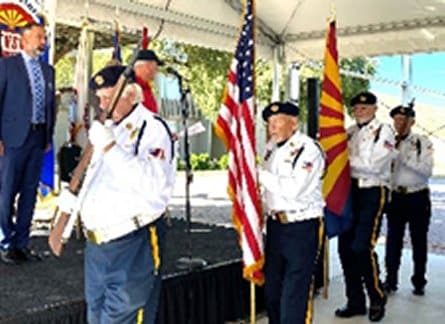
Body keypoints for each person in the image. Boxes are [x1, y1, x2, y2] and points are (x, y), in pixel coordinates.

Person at [58, 65, 175, 324]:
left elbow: (151, 186)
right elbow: (95, 178)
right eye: (99, 98)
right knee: (96, 316)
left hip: (131, 240)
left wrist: (110, 147)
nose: (103, 105)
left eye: (109, 98)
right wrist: (72, 202)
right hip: (97, 245)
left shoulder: (152, 128)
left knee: (124, 317)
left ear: (131, 95)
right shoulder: (109, 127)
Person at [258, 101, 325, 324]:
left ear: (294, 123)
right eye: (269, 123)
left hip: (301, 225)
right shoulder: (271, 149)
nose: (272, 127)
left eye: (278, 122)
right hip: (276, 225)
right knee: (273, 290)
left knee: (294, 293)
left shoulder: (308, 149)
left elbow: (294, 189)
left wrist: (258, 174)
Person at [335, 91, 396, 322]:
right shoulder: (349, 132)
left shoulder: (384, 131)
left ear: (374, 108)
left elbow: (373, 165)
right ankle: (355, 301)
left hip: (372, 192)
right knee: (345, 248)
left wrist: (345, 163)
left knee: (362, 247)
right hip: (350, 192)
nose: (359, 111)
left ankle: (377, 295)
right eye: (356, 108)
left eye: (364, 108)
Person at [0, 22, 56, 265]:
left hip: (38, 138)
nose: (43, 41)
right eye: (38, 37)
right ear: (24, 40)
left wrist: (48, 135)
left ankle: (22, 243)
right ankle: (5, 242)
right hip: (12, 139)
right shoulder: (6, 66)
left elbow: (51, 106)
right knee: (6, 192)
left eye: (44, 37)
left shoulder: (48, 71)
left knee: (29, 193)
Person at [384, 105, 433, 296]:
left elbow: (426, 171)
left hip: (417, 196)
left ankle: (419, 280)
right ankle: (391, 279)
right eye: (396, 120)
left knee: (418, 240)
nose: (399, 124)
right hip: (396, 197)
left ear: (412, 122)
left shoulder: (421, 142)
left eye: (403, 120)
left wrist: (401, 158)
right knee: (393, 240)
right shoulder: (388, 142)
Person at [134, 49, 164, 113]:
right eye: (156, 67)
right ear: (148, 66)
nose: (156, 71)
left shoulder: (145, 86)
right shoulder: (131, 87)